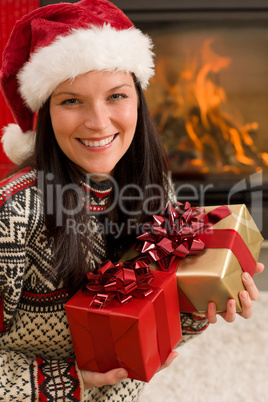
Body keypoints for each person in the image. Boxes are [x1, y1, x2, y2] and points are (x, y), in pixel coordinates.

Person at [0, 0, 264, 400]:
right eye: (71, 101)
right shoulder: (13, 215)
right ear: (46, 113)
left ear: (138, 100)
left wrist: (201, 303)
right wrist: (75, 378)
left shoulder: (155, 184)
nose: (99, 122)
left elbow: (150, 320)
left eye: (116, 96)